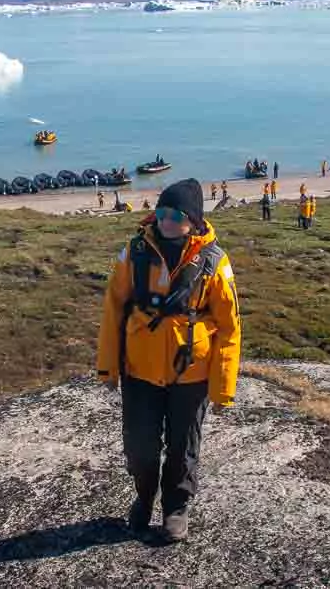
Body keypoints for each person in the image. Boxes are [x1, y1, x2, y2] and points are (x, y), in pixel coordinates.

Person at [97, 179, 241, 543]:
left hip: (191, 372)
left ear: (192, 220)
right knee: (140, 447)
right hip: (139, 369)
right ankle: (144, 498)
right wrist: (108, 367)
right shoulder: (134, 253)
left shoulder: (214, 261)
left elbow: (229, 327)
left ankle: (176, 507)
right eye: (161, 213)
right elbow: (113, 310)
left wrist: (223, 388)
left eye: (174, 215)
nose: (165, 221)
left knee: (183, 446)